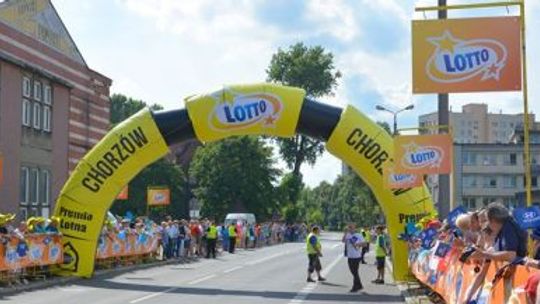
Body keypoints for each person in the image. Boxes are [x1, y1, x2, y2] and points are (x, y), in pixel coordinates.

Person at [342, 223, 366, 292]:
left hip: (356, 256)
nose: (350, 228)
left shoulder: (359, 235)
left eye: (351, 227)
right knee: (353, 271)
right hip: (350, 256)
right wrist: (345, 233)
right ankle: (360, 285)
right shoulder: (348, 235)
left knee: (355, 272)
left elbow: (365, 244)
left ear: (354, 228)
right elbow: (343, 241)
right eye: (349, 227)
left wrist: (357, 244)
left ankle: (355, 287)